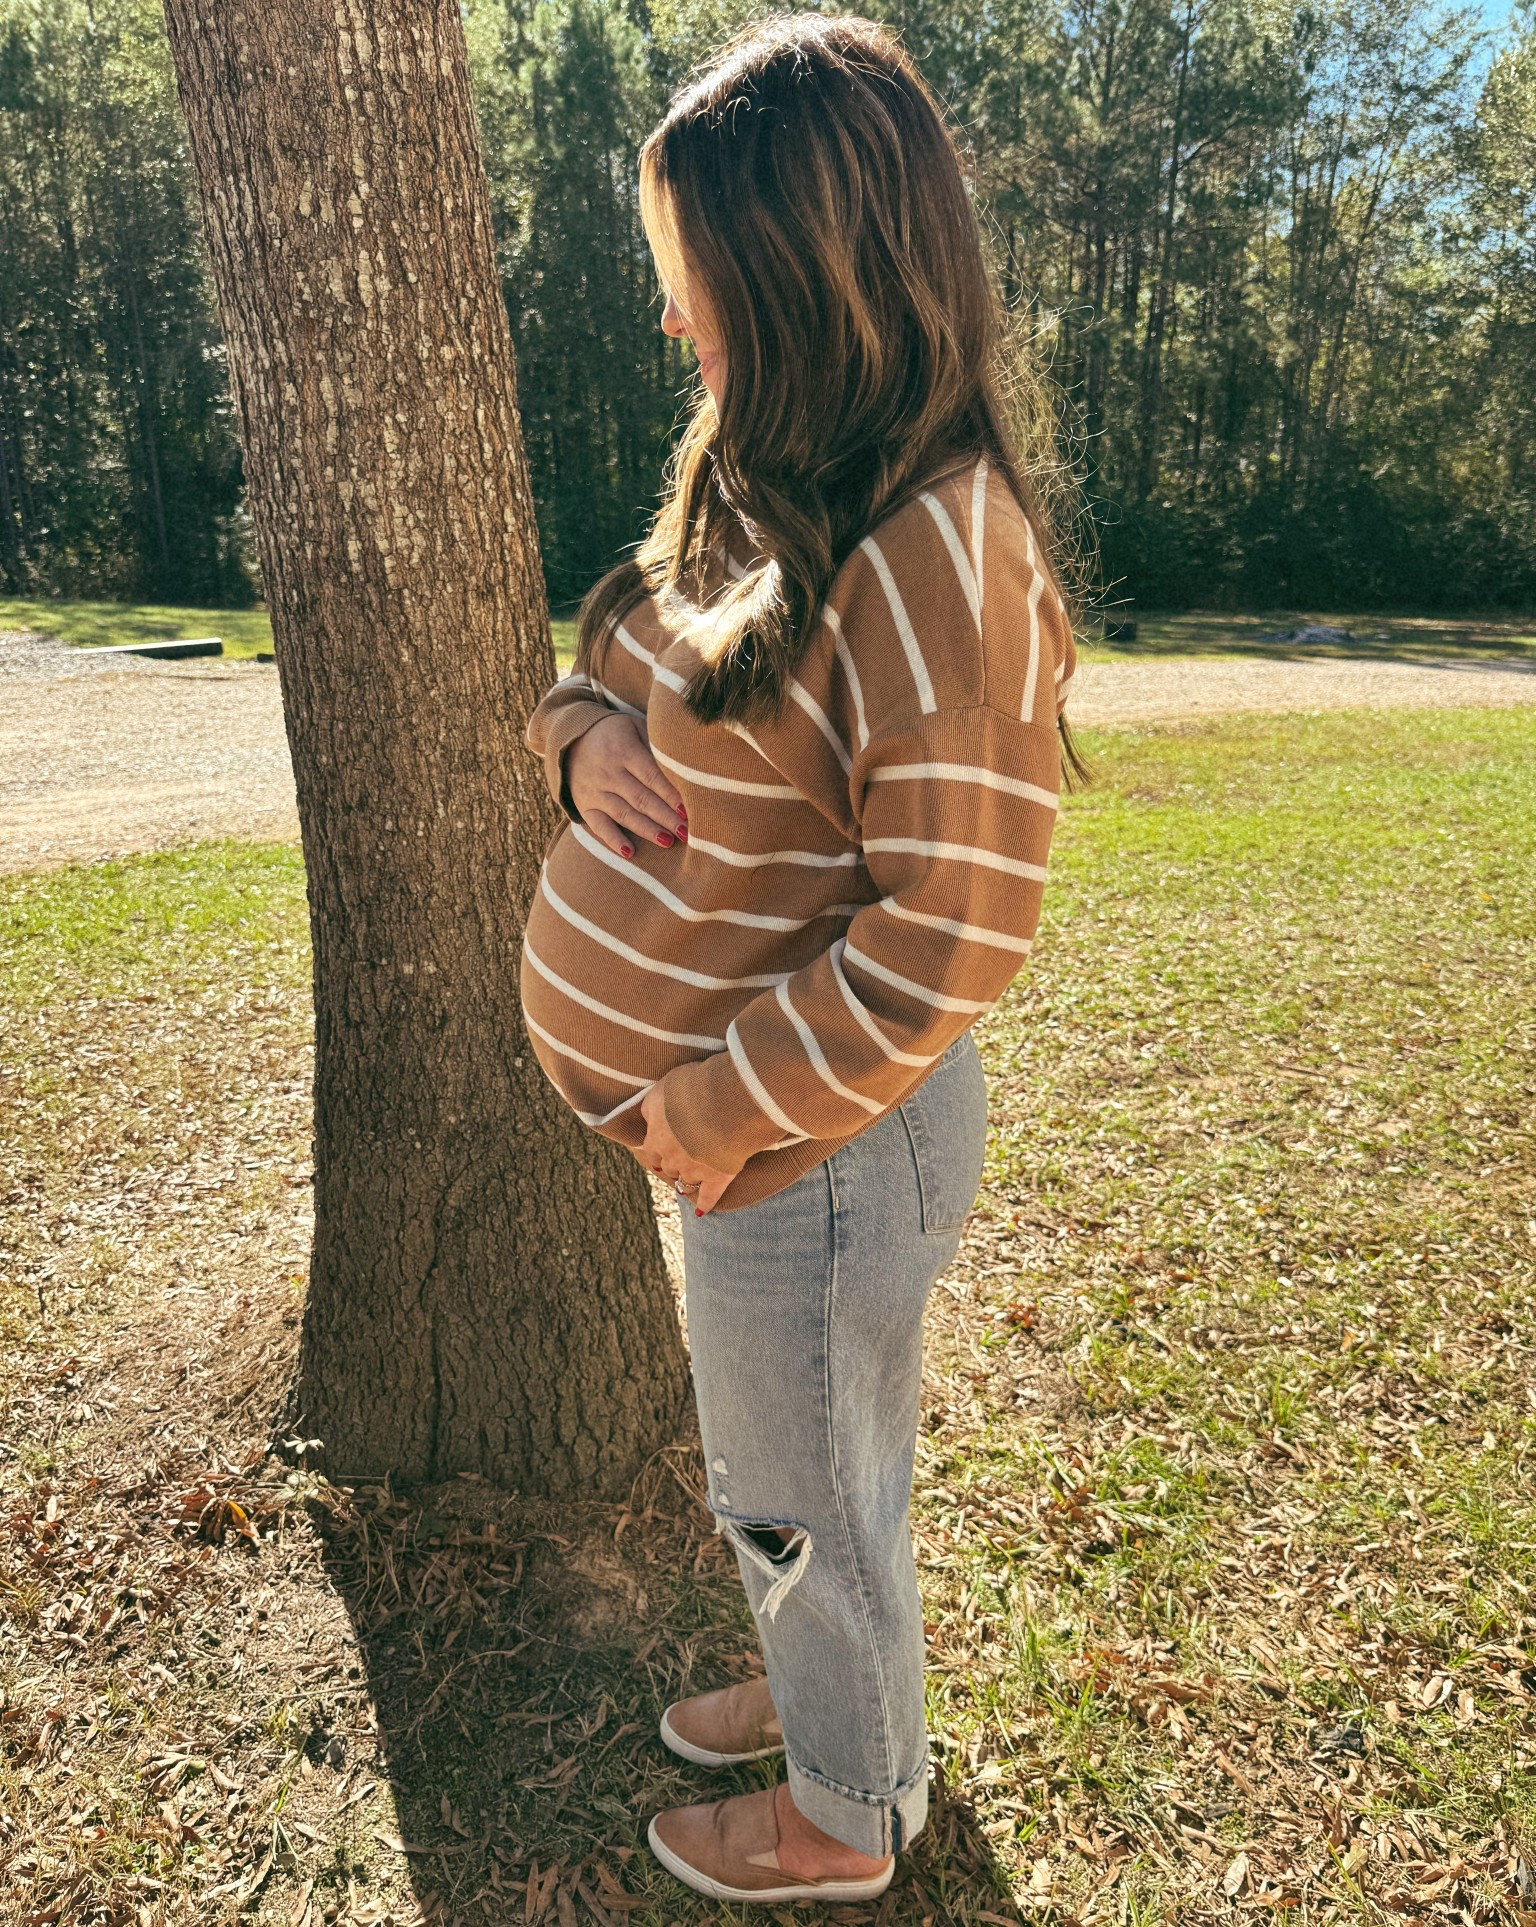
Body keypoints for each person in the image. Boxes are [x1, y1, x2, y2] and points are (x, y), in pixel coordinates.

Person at [519, 12, 1078, 1905]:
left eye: (694, 272)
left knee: (798, 1485)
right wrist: (577, 737)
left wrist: (715, 1109)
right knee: (809, 1475)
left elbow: (954, 932)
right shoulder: (775, 480)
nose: (673, 316)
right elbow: (623, 651)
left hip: (814, 1146)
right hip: (764, 1139)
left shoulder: (944, 548)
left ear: (804, 266)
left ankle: (847, 1811)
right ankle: (835, 1693)